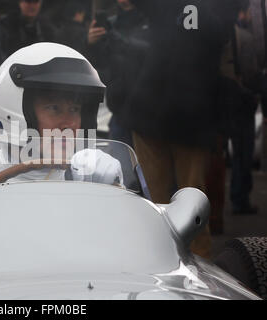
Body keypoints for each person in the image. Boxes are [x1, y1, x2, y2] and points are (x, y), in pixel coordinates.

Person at [100, 0, 242, 259]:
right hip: (191, 113)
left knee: (157, 198)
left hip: (155, 108)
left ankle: (156, 256)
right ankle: (196, 262)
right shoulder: (218, 9)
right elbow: (223, 32)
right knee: (192, 199)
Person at [0, 43, 123, 206]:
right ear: (14, 109)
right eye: (54, 108)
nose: (70, 124)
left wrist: (113, 191)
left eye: (75, 110)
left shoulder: (89, 178)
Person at [86, 0, 149, 146]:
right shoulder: (111, 23)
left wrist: (117, 39)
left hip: (147, 112)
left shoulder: (151, 21)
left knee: (146, 167)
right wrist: (90, 43)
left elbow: (148, 52)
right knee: (118, 164)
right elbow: (98, 64)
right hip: (118, 111)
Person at [221, 0, 261, 214]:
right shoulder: (245, 38)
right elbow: (251, 74)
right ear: (244, 12)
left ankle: (214, 207)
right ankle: (240, 198)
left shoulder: (216, 34)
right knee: (242, 153)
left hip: (218, 102)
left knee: (215, 154)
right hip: (241, 102)